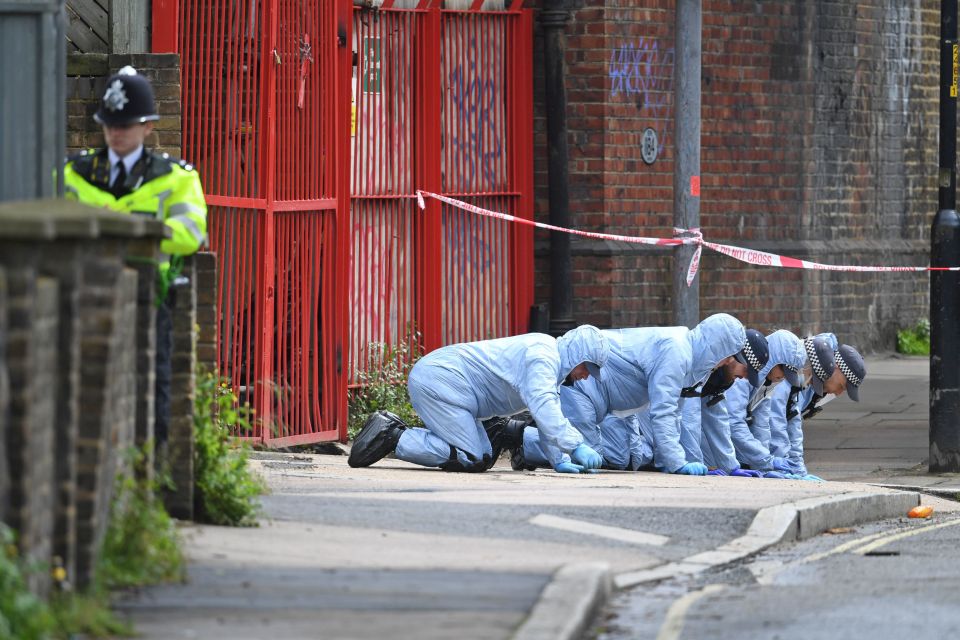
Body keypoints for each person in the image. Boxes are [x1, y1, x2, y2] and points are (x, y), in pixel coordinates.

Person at [64, 66, 208, 448]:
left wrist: (123, 230)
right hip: (85, 294)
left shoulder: (176, 178)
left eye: (126, 124)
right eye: (111, 123)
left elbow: (191, 234)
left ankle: (151, 470)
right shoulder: (74, 173)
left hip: (150, 297)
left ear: (147, 127)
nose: (116, 132)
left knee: (152, 385)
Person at [347, 324, 610, 473]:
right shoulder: (543, 357)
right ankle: (393, 434)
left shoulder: (548, 358)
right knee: (471, 457)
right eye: (587, 368)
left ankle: (400, 435)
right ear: (577, 355)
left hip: (446, 381)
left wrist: (560, 460)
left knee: (483, 456)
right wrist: (575, 446)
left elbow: (545, 413)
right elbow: (545, 409)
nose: (586, 376)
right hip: (440, 381)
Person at [513, 313, 754, 475]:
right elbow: (664, 412)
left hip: (610, 398)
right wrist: (677, 463)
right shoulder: (677, 352)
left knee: (621, 459)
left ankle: (530, 440)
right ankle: (516, 436)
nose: (727, 362)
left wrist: (720, 465)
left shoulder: (694, 362)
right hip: (584, 379)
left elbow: (681, 417)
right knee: (587, 458)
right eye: (728, 354)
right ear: (716, 347)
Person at [694, 329, 806, 477]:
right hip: (705, 446)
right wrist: (767, 461)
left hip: (718, 450)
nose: (783, 377)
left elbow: (762, 426)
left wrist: (766, 468)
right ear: (774, 360)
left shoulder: (765, 381)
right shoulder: (740, 376)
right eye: (783, 370)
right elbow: (732, 423)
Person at [769, 341, 866, 478]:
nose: (838, 393)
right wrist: (774, 463)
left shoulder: (812, 377)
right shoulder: (796, 376)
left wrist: (797, 467)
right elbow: (776, 423)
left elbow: (792, 423)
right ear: (837, 367)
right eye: (843, 386)